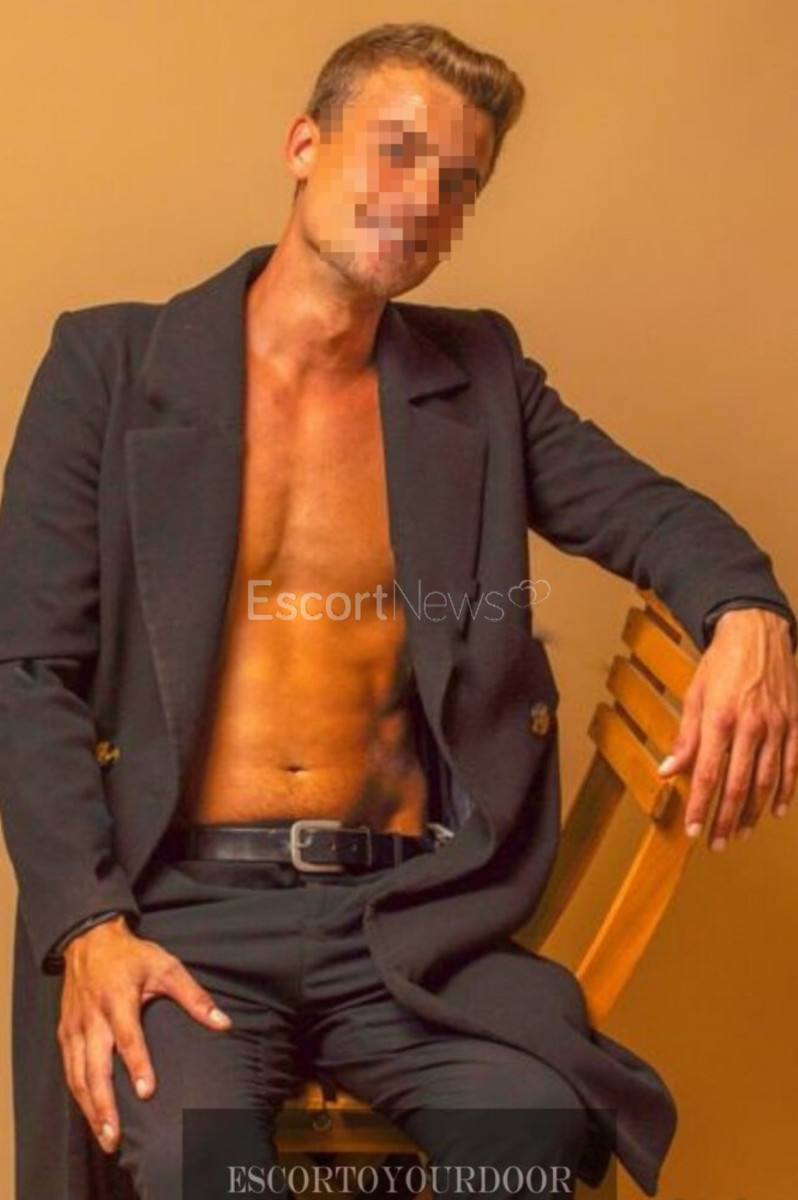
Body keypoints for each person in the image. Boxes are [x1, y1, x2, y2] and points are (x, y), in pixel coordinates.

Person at [0, 21, 796, 1200]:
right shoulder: (110, 368)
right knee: (196, 1161)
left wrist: (750, 612)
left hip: (408, 928)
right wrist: (88, 927)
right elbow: (26, 672)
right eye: (397, 150)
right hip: (183, 917)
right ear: (303, 145)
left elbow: (653, 513)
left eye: (459, 181)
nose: (424, 199)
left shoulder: (478, 380)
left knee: (532, 1134)